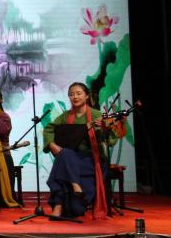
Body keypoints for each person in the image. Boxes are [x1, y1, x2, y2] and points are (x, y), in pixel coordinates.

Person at [43, 82, 125, 219]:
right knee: (65, 153)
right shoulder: (65, 116)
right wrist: (51, 144)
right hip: (71, 158)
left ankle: (61, 202)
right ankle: (61, 202)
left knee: (63, 162)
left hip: (91, 160)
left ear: (87, 96)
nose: (74, 97)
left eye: (78, 93)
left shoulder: (97, 115)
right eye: (71, 94)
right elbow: (49, 129)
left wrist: (105, 129)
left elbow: (112, 141)